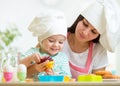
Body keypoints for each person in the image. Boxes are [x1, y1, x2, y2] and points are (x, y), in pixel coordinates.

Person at [61, 0, 120, 79]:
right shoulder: (59, 36)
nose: (85, 33)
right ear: (79, 19)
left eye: (93, 31)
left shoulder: (98, 50)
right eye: (85, 24)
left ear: (98, 35)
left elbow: (97, 82)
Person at [19, 11, 71, 80]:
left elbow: (68, 78)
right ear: (41, 40)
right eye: (51, 41)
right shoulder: (33, 53)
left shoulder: (62, 58)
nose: (56, 45)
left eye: (60, 42)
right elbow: (18, 66)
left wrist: (54, 76)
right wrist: (30, 58)